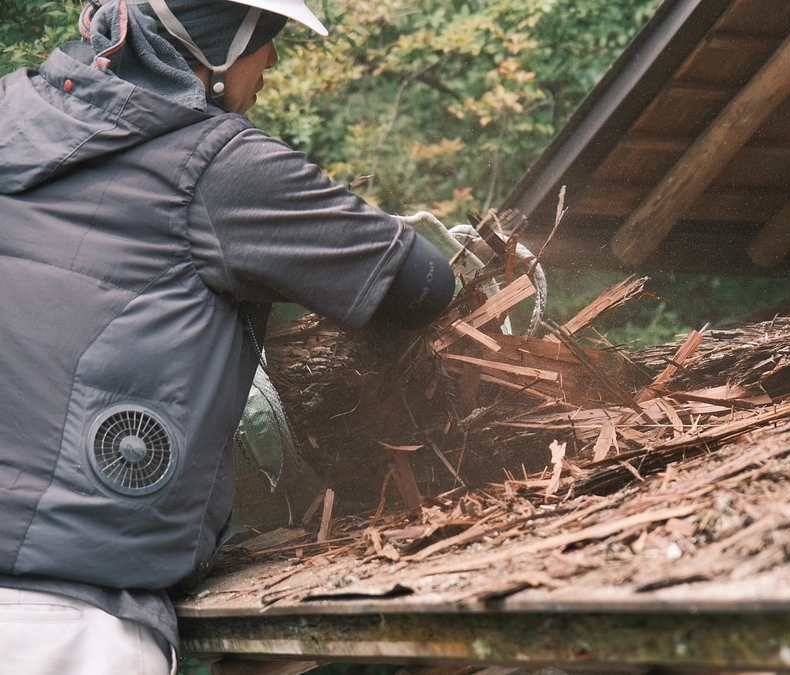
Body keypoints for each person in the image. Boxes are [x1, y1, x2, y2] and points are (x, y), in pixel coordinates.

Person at [0, 0, 456, 672]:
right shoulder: (218, 166)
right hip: (67, 626)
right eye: (262, 37)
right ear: (212, 47)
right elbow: (422, 285)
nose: (271, 56)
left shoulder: (11, 119)